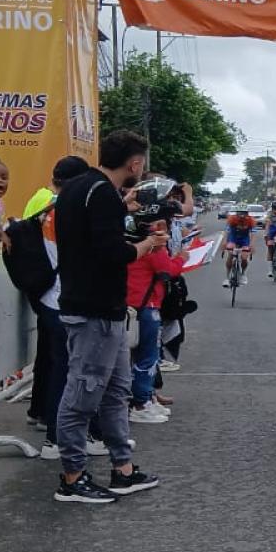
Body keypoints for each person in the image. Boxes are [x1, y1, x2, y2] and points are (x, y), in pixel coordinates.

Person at [53, 131, 164, 503]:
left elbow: (93, 236)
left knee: (117, 391)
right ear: (134, 164)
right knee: (82, 394)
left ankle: (123, 469)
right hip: (93, 311)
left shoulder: (83, 187)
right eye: (142, 164)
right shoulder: (98, 193)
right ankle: (72, 477)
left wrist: (124, 208)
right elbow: (111, 252)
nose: (142, 170)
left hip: (105, 309)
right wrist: (148, 245)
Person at [24, 156, 90, 458]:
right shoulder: (64, 211)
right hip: (61, 297)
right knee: (64, 370)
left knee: (52, 366)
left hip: (47, 297)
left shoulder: (47, 207)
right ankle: (55, 437)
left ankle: (48, 425)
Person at [126, 214, 187, 424]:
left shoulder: (127, 242)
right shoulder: (153, 246)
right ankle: (141, 403)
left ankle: (144, 398)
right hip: (148, 305)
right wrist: (182, 258)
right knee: (148, 355)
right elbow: (167, 271)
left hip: (130, 304)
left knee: (132, 356)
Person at [222, 206, 255, 286]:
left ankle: (243, 274)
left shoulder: (250, 221)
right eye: (240, 213)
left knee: (244, 257)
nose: (242, 215)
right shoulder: (232, 220)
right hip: (233, 238)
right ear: (237, 213)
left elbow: (252, 234)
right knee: (230, 254)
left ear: (247, 213)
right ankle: (227, 277)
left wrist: (252, 244)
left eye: (244, 213)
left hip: (244, 239)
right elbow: (227, 232)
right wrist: (224, 242)